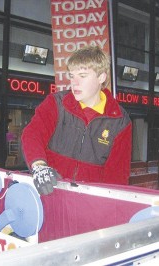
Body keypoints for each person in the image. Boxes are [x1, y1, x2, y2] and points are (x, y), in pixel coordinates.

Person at [21, 45, 132, 195]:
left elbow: (117, 176)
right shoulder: (56, 104)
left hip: (88, 203)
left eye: (83, 76)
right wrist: (39, 166)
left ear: (101, 77)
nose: (75, 83)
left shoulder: (119, 120)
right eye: (72, 76)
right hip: (50, 193)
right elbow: (32, 134)